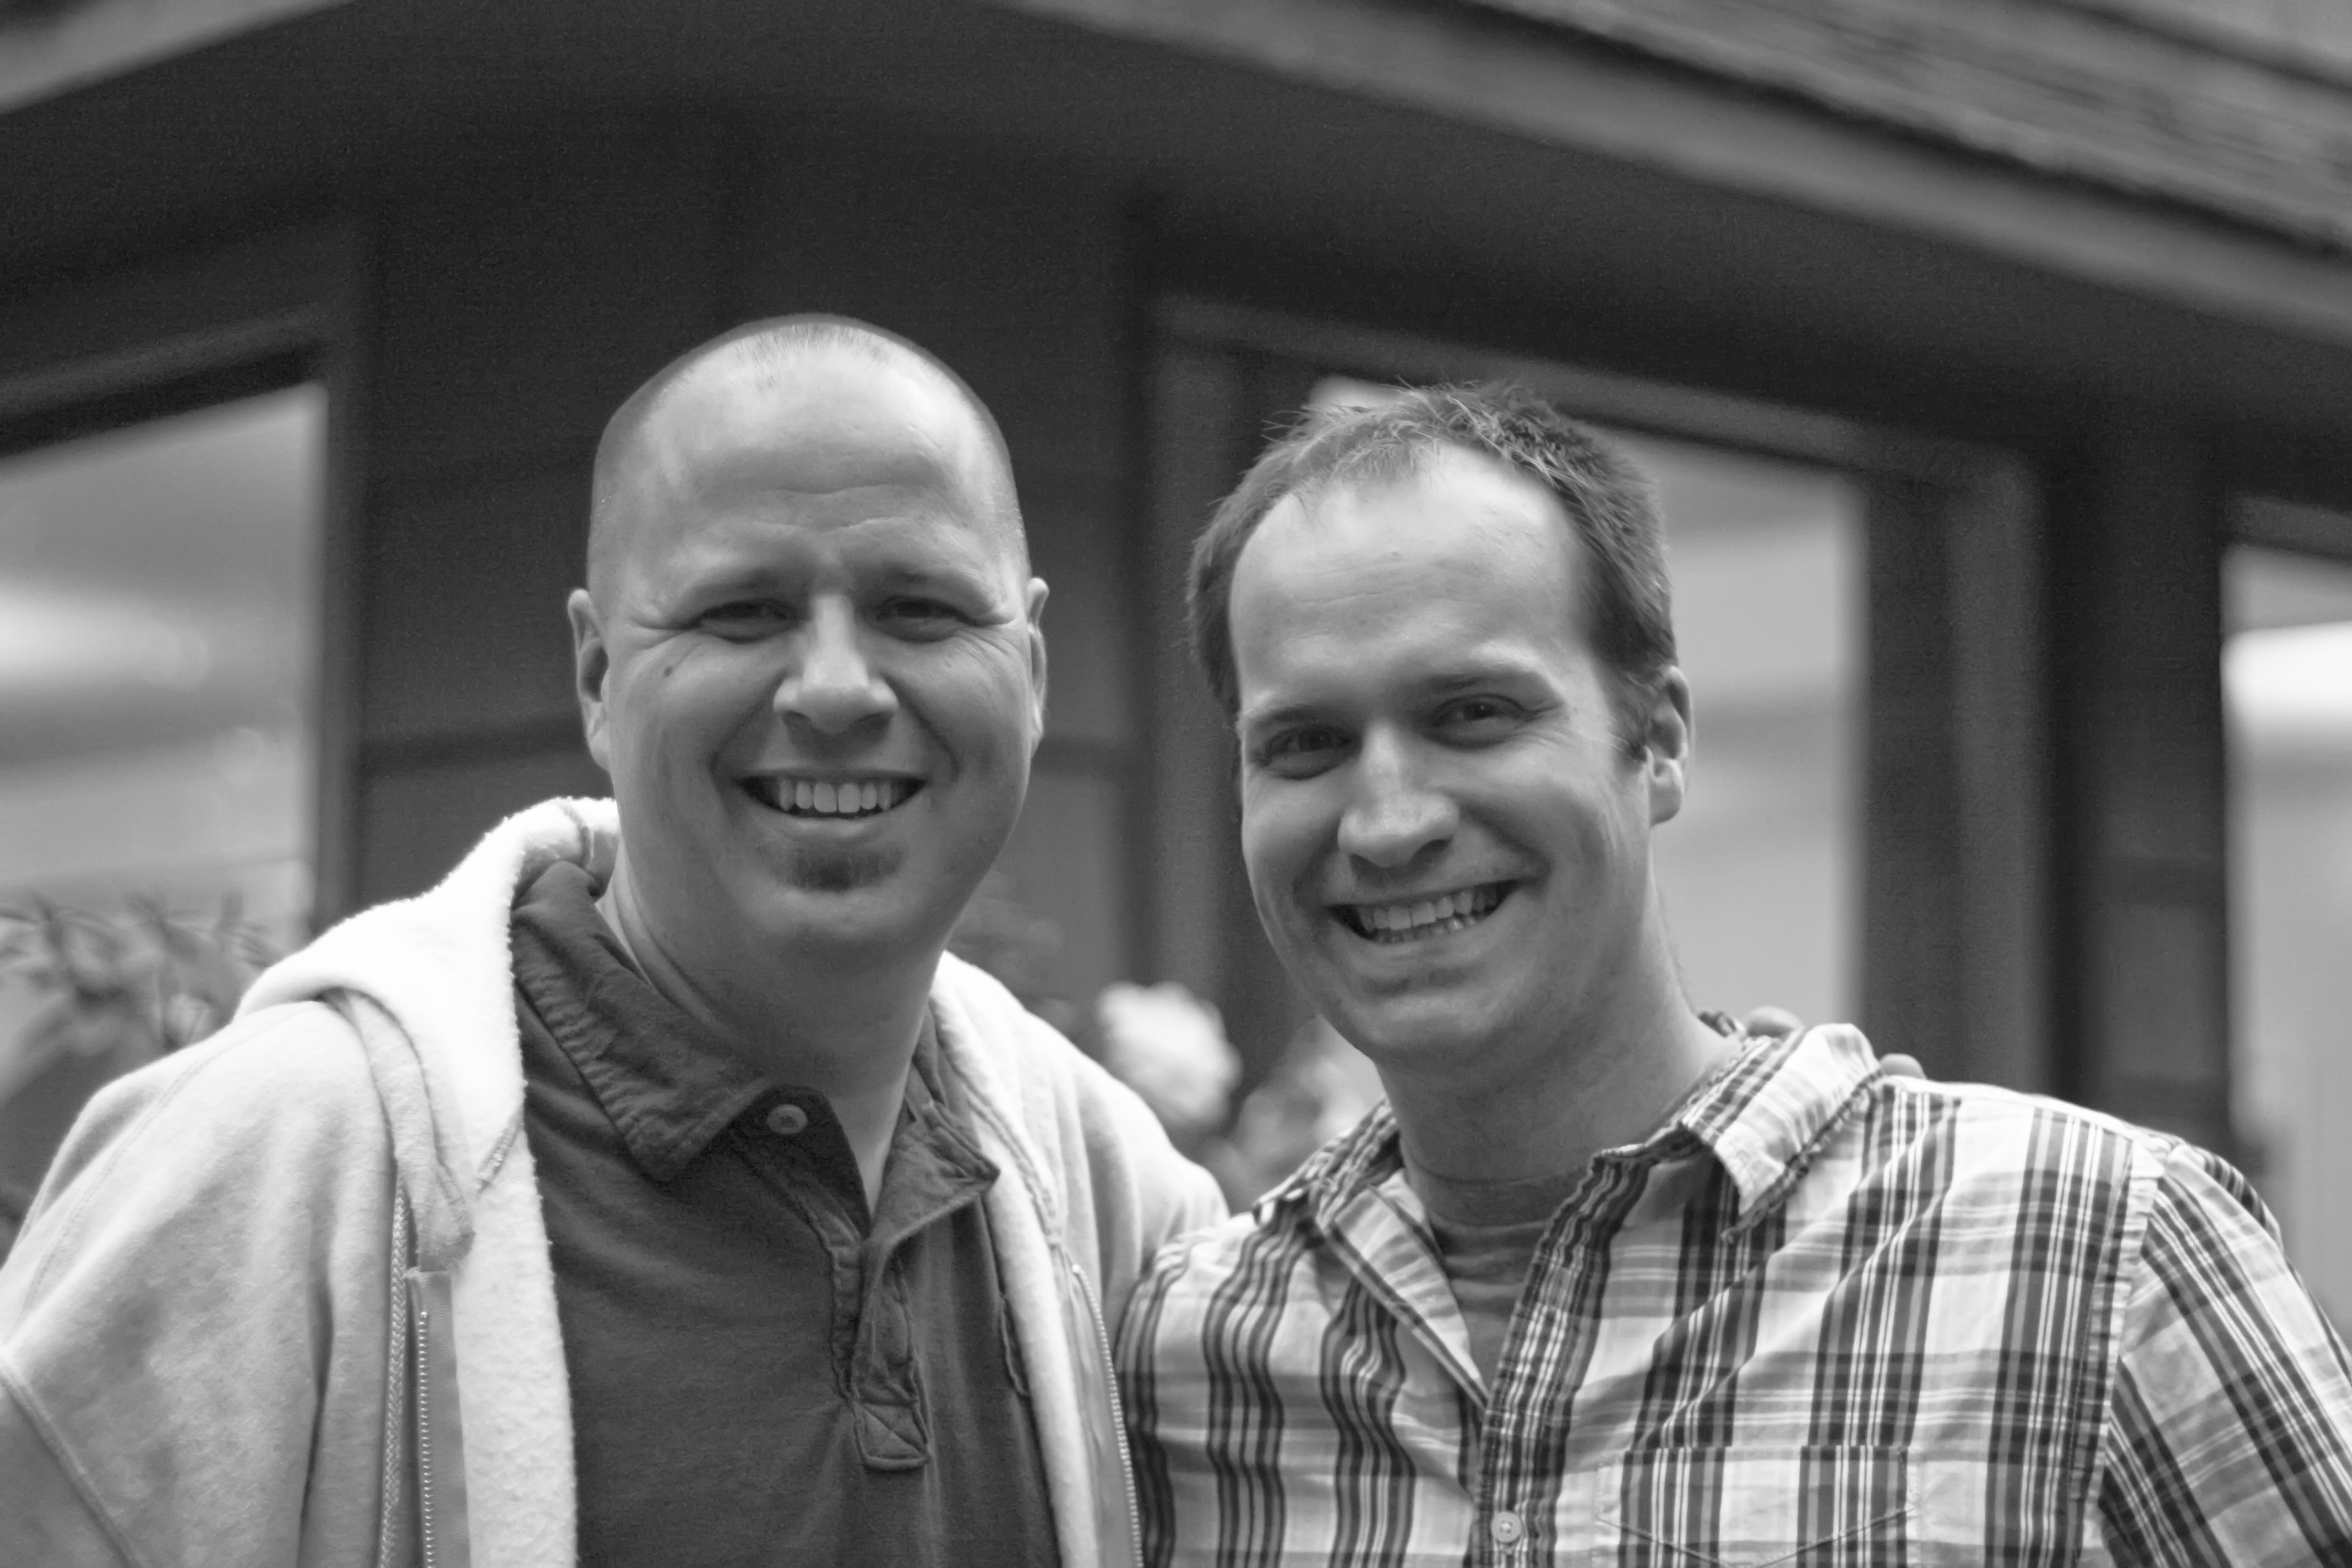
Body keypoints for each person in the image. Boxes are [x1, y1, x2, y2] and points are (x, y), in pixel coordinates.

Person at [0, 317, 1223, 1567]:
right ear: (598, 676)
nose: (837, 688)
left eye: (920, 608)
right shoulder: (271, 1169)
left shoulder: (1112, 1194)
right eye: (742, 612)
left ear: (1031, 670)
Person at [1118, 384, 2352, 1565]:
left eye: (1474, 712)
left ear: (1657, 741)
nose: (1388, 822)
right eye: (1306, 743)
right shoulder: (1191, 1357)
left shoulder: (2095, 1258)